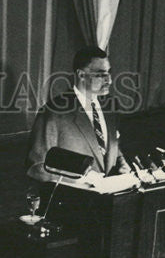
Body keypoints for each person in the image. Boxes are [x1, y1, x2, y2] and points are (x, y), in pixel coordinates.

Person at [26, 45, 132, 182]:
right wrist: (79, 179)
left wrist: (122, 163)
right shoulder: (53, 113)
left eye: (109, 73)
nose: (109, 80)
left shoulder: (110, 106)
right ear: (81, 75)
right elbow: (36, 168)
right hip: (74, 199)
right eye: (101, 74)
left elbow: (111, 149)